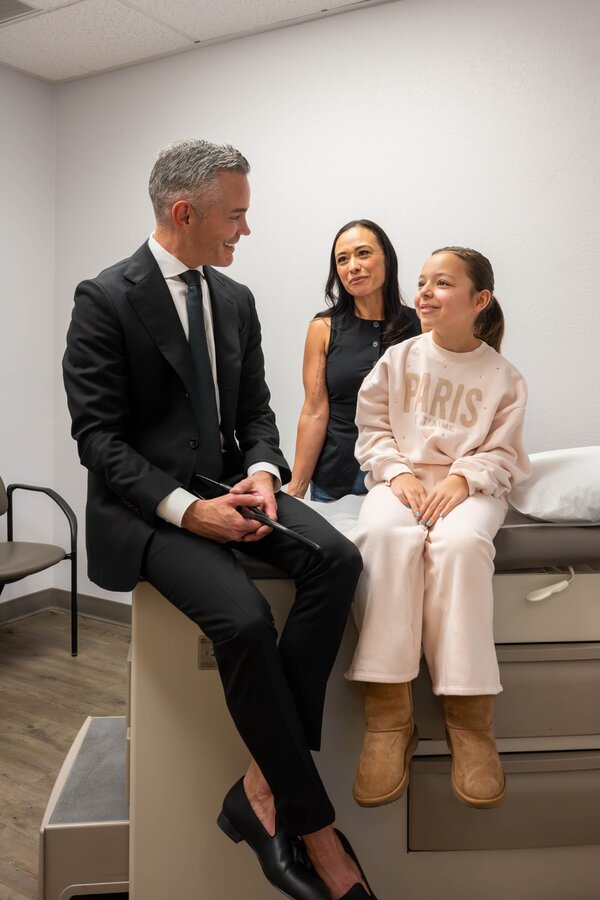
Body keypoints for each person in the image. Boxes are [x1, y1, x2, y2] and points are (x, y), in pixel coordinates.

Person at [63, 139, 376, 900]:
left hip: (234, 484)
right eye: (235, 216)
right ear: (185, 212)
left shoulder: (235, 299)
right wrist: (188, 511)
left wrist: (264, 473)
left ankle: (259, 786)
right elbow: (98, 439)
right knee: (242, 622)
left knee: (337, 560)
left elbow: (257, 412)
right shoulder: (104, 298)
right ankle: (316, 831)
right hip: (150, 509)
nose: (246, 230)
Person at [345, 247, 530, 811]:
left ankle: (470, 722)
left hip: (469, 488)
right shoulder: (397, 359)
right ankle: (389, 718)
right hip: (401, 480)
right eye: (422, 281)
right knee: (383, 537)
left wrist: (462, 478)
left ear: (479, 300)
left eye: (442, 283)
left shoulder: (504, 377)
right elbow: (372, 428)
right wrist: (396, 472)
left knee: (461, 545)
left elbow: (502, 452)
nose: (424, 292)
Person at [288, 220, 420, 502]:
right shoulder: (323, 328)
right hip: (334, 478)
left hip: (404, 479)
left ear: (387, 258)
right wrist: (295, 492)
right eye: (343, 259)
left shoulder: (421, 327)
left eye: (363, 253)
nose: (353, 266)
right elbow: (314, 411)